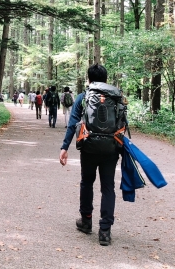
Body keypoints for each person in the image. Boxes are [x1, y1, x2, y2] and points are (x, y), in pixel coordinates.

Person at [59, 64, 126, 247]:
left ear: (89, 79)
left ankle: (86, 220)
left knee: (87, 182)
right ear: (105, 78)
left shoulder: (83, 97)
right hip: (110, 149)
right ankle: (105, 231)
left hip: (88, 147)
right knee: (108, 187)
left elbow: (73, 123)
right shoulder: (117, 97)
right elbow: (123, 123)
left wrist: (65, 147)